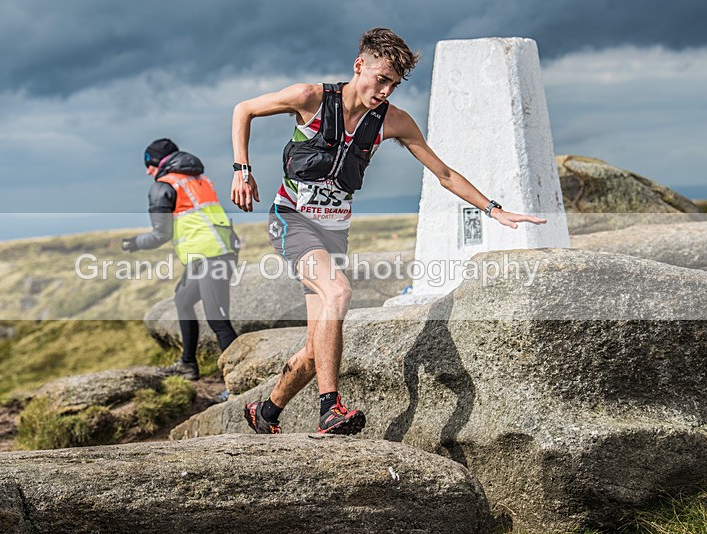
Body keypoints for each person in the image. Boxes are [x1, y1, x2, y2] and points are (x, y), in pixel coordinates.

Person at [230, 28, 547, 435]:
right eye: (381, 79)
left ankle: (266, 412)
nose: (385, 91)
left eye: (393, 84)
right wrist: (242, 170)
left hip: (333, 232)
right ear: (359, 65)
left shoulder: (393, 121)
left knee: (316, 349)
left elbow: (444, 173)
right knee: (339, 292)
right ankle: (330, 409)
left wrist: (494, 210)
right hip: (292, 221)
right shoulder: (309, 97)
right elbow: (243, 109)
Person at [123, 139, 239, 380]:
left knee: (218, 320)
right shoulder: (199, 179)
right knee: (183, 300)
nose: (147, 171)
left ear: (159, 163)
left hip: (212, 256)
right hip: (217, 251)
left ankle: (238, 380)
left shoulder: (163, 186)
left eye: (149, 164)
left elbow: (160, 234)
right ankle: (188, 364)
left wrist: (134, 243)